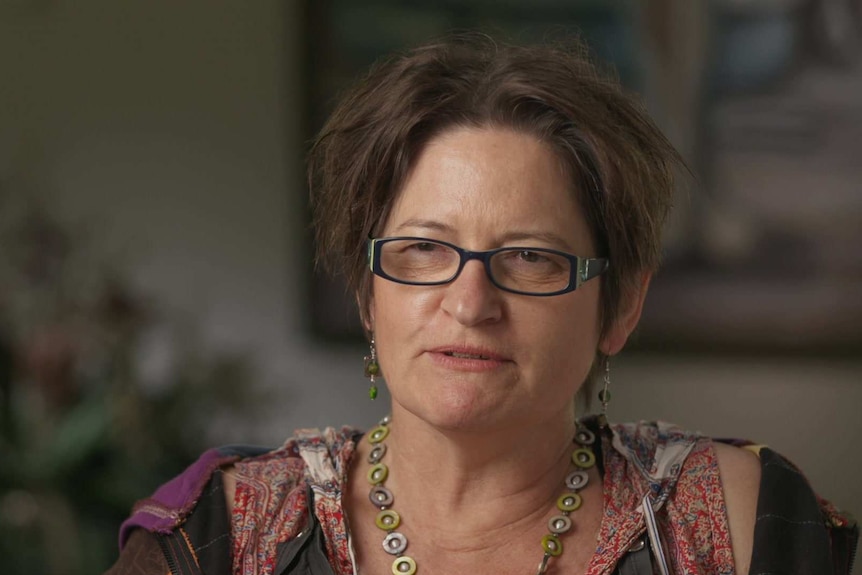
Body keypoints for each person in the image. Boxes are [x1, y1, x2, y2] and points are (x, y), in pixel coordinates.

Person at [106, 34, 857, 575]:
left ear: (622, 303)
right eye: (424, 249)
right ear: (369, 291)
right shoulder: (220, 538)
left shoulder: (740, 522)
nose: (469, 301)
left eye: (530, 257)